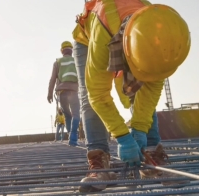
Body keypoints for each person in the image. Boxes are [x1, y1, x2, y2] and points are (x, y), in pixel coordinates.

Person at [72, 0, 191, 192]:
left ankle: (151, 154)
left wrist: (140, 130)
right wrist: (123, 137)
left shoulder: (162, 36)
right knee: (87, 96)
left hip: (132, 36)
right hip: (90, 38)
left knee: (141, 86)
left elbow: (151, 89)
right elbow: (98, 94)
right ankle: (99, 162)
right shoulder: (103, 34)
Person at [47, 41, 80, 146]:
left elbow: (52, 79)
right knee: (76, 114)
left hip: (62, 92)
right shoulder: (76, 61)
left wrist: (49, 93)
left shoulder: (57, 62)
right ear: (72, 51)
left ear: (62, 51)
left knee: (67, 115)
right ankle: (73, 137)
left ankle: (71, 135)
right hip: (74, 91)